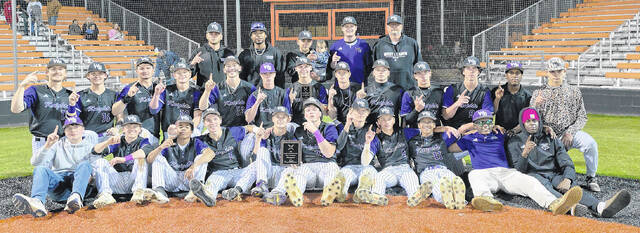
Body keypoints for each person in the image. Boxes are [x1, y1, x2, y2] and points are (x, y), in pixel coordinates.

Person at [446, 109, 582, 215]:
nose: (485, 125)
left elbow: (521, 128)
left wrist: (544, 127)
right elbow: (449, 148)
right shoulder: (468, 139)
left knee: (530, 181)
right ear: (475, 124)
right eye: (480, 122)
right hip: (483, 173)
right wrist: (459, 130)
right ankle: (487, 201)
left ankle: (554, 203)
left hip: (506, 173)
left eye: (488, 121)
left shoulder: (499, 133)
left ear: (492, 122)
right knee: (473, 175)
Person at [508, 107, 631, 218]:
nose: (532, 124)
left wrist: (568, 179)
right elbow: (518, 171)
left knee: (570, 187)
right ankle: (568, 206)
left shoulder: (551, 138)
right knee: (544, 186)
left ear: (539, 122)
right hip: (533, 176)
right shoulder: (515, 142)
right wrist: (524, 154)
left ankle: (600, 207)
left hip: (553, 174)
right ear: (522, 123)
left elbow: (566, 162)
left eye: (534, 121)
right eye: (528, 121)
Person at [530, 57, 601, 192]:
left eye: (559, 71)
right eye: (552, 72)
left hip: (569, 133)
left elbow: (582, 116)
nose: (556, 75)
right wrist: (535, 106)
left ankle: (591, 177)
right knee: (547, 168)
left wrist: (570, 132)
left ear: (564, 72)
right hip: (548, 135)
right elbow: (530, 119)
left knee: (590, 144)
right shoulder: (538, 93)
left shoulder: (574, 91)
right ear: (547, 73)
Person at [12, 116, 98, 217]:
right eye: (69, 127)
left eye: (76, 127)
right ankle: (37, 202)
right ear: (64, 131)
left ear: (83, 129)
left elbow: (97, 169)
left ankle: (75, 198)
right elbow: (34, 162)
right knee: (40, 169)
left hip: (80, 184)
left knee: (84, 165)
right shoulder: (56, 144)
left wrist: (90, 179)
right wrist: (47, 145)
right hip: (59, 185)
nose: (72, 130)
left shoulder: (91, 146)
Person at [263, 98, 342, 207]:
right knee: (292, 171)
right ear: (305, 115)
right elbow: (295, 153)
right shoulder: (299, 131)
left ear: (320, 113)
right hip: (308, 168)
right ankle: (285, 194)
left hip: (326, 165)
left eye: (314, 109)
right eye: (308, 110)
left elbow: (329, 153)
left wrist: (316, 132)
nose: (311, 112)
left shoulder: (329, 128)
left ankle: (328, 194)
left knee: (332, 170)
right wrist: (294, 160)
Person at [356, 107, 432, 207]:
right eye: (383, 119)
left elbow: (427, 130)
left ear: (394, 120)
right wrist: (367, 143)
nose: (386, 122)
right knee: (379, 177)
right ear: (378, 121)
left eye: (389, 119)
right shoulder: (376, 139)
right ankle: (377, 197)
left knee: (411, 178)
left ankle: (415, 196)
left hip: (404, 168)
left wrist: (445, 128)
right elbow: (365, 162)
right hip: (388, 170)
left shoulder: (404, 132)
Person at [186, 108, 259, 207]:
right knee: (212, 186)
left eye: (215, 119)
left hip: (237, 171)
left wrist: (257, 130)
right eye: (208, 120)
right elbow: (205, 153)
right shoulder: (201, 140)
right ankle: (208, 197)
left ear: (220, 120)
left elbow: (248, 127)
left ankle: (235, 191)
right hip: (218, 173)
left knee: (255, 166)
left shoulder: (231, 132)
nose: (212, 123)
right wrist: (193, 166)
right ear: (204, 123)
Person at [11, 58, 72, 158]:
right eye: (53, 69)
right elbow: (16, 109)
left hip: (64, 141)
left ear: (65, 73)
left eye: (61, 69)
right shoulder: (35, 90)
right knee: (42, 171)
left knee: (63, 172)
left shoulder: (69, 95)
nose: (57, 72)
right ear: (47, 73)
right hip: (41, 141)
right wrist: (22, 86)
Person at [90, 115, 154, 208]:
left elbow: (144, 152)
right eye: (128, 126)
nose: (131, 129)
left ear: (140, 129)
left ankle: (138, 192)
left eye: (135, 126)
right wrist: (108, 142)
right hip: (117, 181)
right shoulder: (118, 141)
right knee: (100, 161)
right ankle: (105, 195)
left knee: (140, 158)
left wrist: (124, 159)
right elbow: (95, 151)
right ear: (123, 129)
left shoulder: (143, 141)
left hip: (134, 180)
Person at [145, 115, 212, 204]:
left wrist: (193, 166)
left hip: (189, 180)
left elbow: (211, 153)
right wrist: (160, 147)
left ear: (191, 131)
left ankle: (196, 190)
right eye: (180, 126)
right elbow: (149, 159)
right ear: (176, 129)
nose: (183, 129)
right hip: (172, 178)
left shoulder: (196, 142)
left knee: (202, 157)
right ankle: (159, 191)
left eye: (187, 127)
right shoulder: (169, 142)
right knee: (158, 157)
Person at [407, 111, 466, 209]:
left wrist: (446, 128)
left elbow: (460, 133)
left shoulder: (443, 137)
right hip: (426, 172)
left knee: (453, 180)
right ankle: (447, 199)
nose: (427, 124)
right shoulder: (412, 140)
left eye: (430, 122)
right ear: (419, 125)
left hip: (443, 169)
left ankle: (458, 199)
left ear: (434, 125)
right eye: (424, 122)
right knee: (435, 186)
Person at [442, 56, 493, 161]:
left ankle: (462, 158)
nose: (471, 71)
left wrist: (467, 127)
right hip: (453, 129)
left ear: (479, 72)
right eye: (468, 68)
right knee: (441, 145)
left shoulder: (484, 91)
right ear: (463, 71)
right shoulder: (453, 89)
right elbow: (446, 116)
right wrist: (457, 103)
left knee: (485, 139)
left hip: (474, 129)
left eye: (474, 68)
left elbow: (487, 119)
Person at [245, 106, 298, 203]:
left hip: (281, 176)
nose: (280, 120)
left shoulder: (292, 137)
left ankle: (278, 194)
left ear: (288, 119)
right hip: (268, 173)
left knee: (292, 169)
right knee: (262, 151)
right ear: (272, 118)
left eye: (283, 117)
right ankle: (261, 185)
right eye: (278, 117)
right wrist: (259, 139)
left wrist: (296, 162)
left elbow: (295, 161)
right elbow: (256, 156)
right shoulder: (266, 135)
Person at [335, 99, 378, 203]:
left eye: (364, 111)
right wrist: (347, 124)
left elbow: (365, 162)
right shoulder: (342, 127)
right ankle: (340, 192)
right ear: (351, 111)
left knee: (368, 174)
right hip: (348, 167)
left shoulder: (371, 131)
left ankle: (362, 192)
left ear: (368, 113)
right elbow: (339, 147)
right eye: (357, 110)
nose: (360, 113)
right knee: (344, 175)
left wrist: (367, 142)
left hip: (366, 167)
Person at [112, 57, 161, 144]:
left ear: (153, 70)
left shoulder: (158, 88)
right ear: (136, 70)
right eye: (141, 68)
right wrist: (127, 97)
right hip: (135, 134)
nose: (145, 70)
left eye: (148, 68)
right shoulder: (129, 88)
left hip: (154, 134)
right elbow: (115, 111)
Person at [66, 62, 119, 142]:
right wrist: (72, 105)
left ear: (105, 75)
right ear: (88, 76)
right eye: (93, 73)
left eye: (100, 73)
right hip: (87, 137)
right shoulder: (80, 95)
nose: (97, 76)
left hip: (107, 136)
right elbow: (72, 118)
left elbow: (121, 117)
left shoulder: (114, 95)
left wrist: (116, 128)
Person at [149, 61, 202, 140]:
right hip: (169, 131)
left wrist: (186, 130)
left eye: (185, 72)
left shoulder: (196, 92)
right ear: (174, 75)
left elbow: (197, 115)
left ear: (190, 74)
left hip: (187, 132)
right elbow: (153, 110)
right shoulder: (166, 90)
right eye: (178, 73)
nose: (182, 75)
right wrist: (156, 94)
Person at [199, 56, 256, 127]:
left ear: (240, 68)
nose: (231, 68)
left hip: (243, 129)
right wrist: (207, 91)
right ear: (224, 70)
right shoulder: (217, 87)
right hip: (224, 129)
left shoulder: (250, 88)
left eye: (234, 65)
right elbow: (202, 107)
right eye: (228, 66)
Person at [371, 15, 423, 90]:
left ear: (401, 26)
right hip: (386, 89)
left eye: (397, 25)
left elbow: (419, 65)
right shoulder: (379, 44)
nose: (394, 27)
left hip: (409, 88)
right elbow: (373, 66)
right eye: (391, 25)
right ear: (387, 27)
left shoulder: (411, 43)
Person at [326, 16, 372, 86]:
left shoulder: (364, 45)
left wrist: (362, 78)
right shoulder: (335, 46)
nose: (349, 29)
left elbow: (369, 66)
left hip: (360, 86)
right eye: (346, 26)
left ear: (356, 27)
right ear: (342, 28)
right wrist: (333, 62)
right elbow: (331, 67)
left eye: (351, 26)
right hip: (341, 86)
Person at [239, 22, 286, 88]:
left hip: (270, 93)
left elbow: (280, 76)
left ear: (265, 35)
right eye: (255, 33)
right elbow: (241, 77)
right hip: (251, 93)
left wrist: (279, 94)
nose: (258, 36)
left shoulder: (275, 53)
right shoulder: (244, 54)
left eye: (261, 33)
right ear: (251, 36)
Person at [189, 22, 235, 88]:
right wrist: (192, 64)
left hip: (225, 93)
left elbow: (236, 73)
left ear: (221, 36)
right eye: (211, 34)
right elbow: (188, 75)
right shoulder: (199, 52)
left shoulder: (228, 53)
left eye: (216, 34)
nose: (213, 36)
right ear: (207, 36)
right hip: (204, 92)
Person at [284, 56, 328, 125]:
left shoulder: (319, 87)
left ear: (310, 68)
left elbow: (325, 112)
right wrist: (290, 103)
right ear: (296, 69)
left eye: (306, 66)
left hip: (315, 124)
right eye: (300, 66)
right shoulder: (291, 89)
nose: (303, 69)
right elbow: (287, 115)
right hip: (297, 125)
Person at [358, 59, 404, 124]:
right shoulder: (365, 91)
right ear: (373, 72)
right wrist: (359, 100)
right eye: (377, 70)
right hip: (371, 130)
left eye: (384, 70)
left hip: (391, 130)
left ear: (388, 73)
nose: (380, 72)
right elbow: (358, 115)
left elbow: (403, 115)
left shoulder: (398, 90)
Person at [400, 61, 443, 128]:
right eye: (419, 73)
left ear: (430, 73)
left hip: (435, 130)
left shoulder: (439, 92)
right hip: (416, 131)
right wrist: (416, 110)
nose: (423, 76)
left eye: (425, 72)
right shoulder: (409, 93)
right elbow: (406, 120)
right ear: (415, 76)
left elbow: (444, 116)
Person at [244, 62, 289, 128]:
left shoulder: (282, 94)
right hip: (259, 130)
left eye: (270, 73)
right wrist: (257, 102)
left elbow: (288, 117)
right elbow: (248, 119)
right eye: (265, 73)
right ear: (261, 75)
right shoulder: (255, 95)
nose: (268, 76)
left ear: (274, 74)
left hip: (277, 130)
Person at [491, 62, 532, 132]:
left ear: (522, 75)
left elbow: (526, 119)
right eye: (511, 73)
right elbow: (492, 112)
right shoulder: (496, 91)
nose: (514, 76)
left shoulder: (527, 95)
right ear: (506, 75)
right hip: (499, 131)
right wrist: (497, 99)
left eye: (517, 73)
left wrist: (515, 131)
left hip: (519, 133)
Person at [326, 62, 360, 131]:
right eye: (339, 73)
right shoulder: (334, 91)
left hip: (356, 122)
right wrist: (330, 98)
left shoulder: (358, 88)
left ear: (349, 74)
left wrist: (361, 98)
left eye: (344, 72)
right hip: (341, 124)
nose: (342, 75)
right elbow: (332, 116)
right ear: (335, 75)